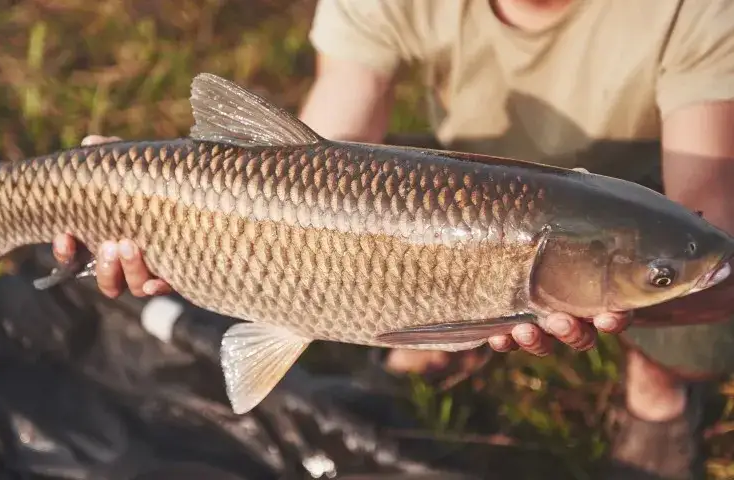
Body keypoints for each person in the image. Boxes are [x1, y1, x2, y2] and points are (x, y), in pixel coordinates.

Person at [51, 0, 734, 477]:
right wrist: (147, 189)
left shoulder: (693, 8)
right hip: (453, 175)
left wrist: (660, 283)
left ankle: (658, 390)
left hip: (644, 191)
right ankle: (402, 329)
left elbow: (706, 215)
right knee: (320, 217)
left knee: (705, 288)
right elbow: (328, 141)